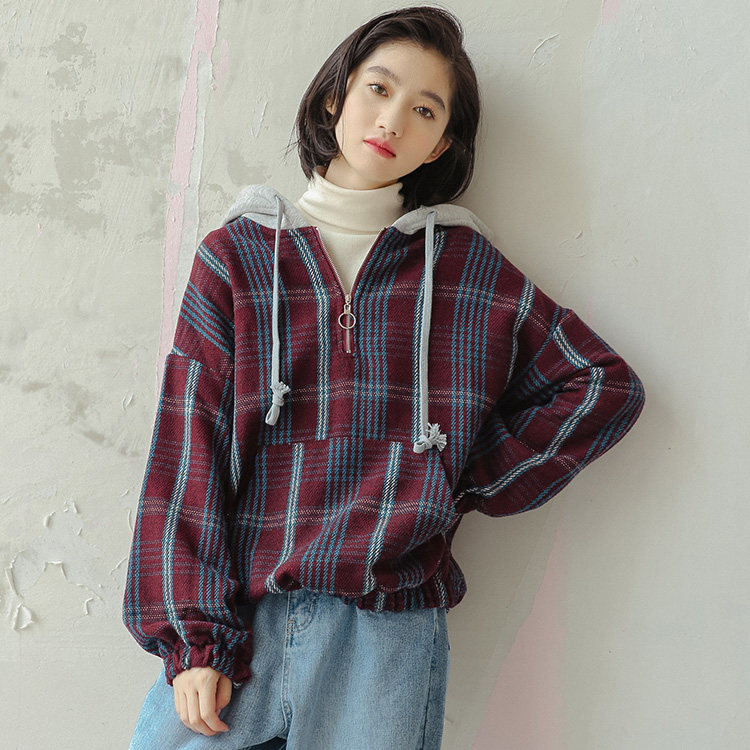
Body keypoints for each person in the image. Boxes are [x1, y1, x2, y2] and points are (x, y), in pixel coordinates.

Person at [122, 6, 645, 749]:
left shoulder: (464, 271)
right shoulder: (236, 259)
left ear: (442, 143)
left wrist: (452, 480)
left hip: (387, 637)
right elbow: (187, 455)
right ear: (336, 96)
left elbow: (601, 385)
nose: (392, 119)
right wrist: (193, 640)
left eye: (424, 110)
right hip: (241, 622)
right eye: (379, 88)